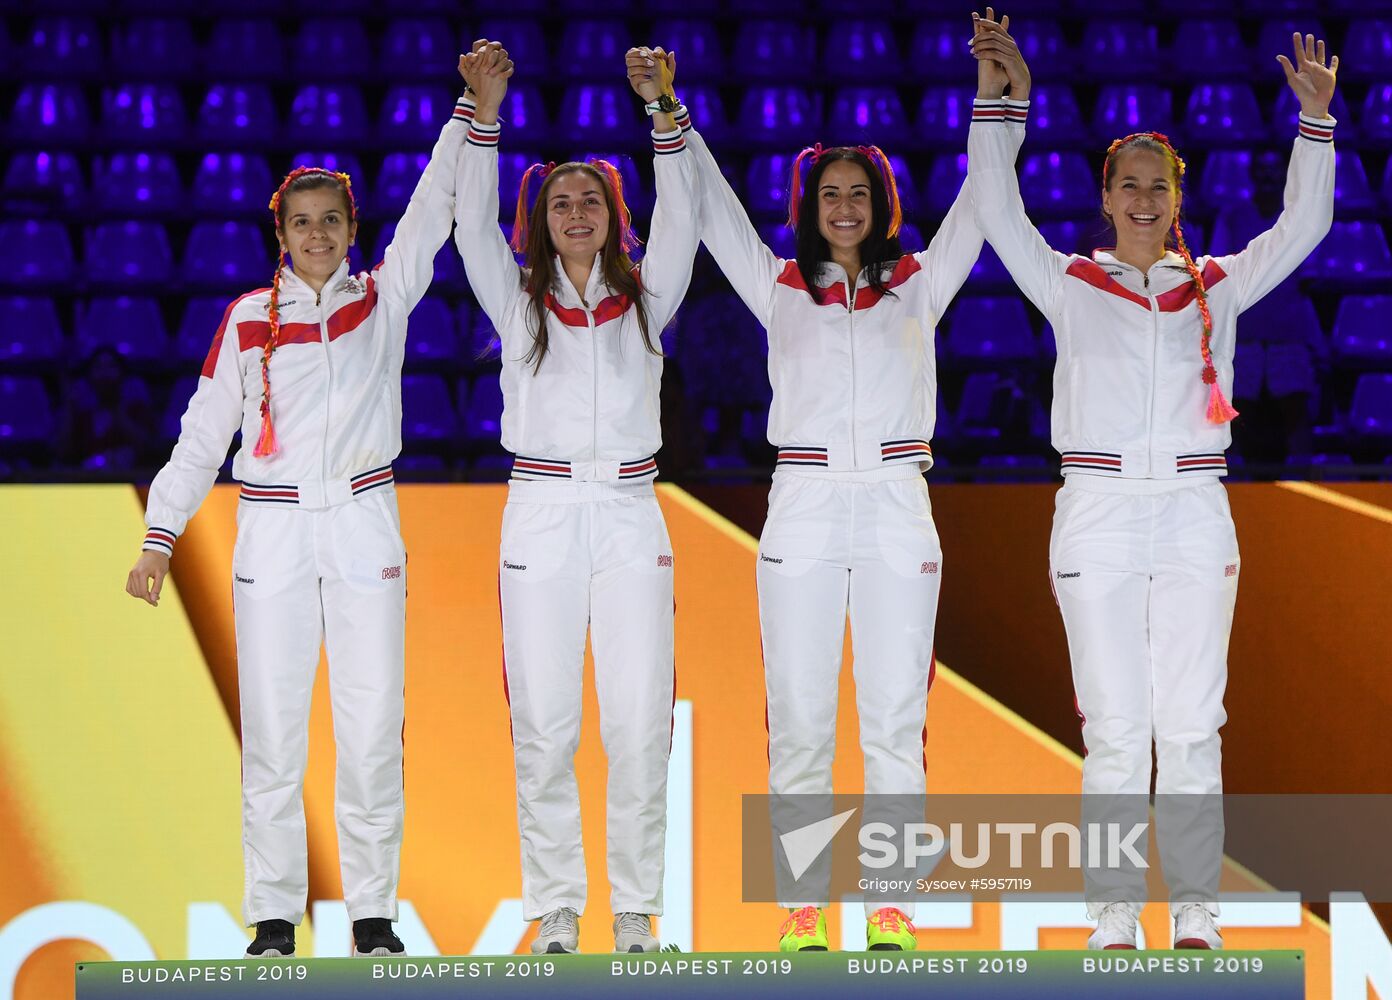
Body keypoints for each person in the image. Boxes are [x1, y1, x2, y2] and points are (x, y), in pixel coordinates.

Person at [633, 37, 1026, 951]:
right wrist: (665, 111)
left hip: (896, 502)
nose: (844, 207)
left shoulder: (919, 286)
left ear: (881, 206)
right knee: (802, 719)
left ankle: (892, 906)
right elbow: (715, 209)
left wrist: (994, 103)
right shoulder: (778, 288)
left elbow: (982, 205)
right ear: (810, 207)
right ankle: (804, 909)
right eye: (829, 193)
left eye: (859, 193)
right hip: (803, 506)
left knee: (894, 718)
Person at [968, 12, 1337, 950]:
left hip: (1192, 511)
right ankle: (1113, 915)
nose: (1143, 199)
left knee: (1193, 725)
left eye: (1158, 185)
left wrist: (1315, 124)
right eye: (1127, 184)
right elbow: (993, 205)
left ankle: (1198, 912)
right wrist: (1000, 101)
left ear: (1179, 196)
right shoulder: (1067, 283)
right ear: (1105, 194)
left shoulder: (1218, 283)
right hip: (1094, 511)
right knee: (1117, 729)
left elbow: (1309, 222)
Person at [124, 46, 486, 960]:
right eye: (301, 222)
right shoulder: (249, 317)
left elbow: (434, 214)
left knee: (370, 728)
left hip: (364, 522)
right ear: (278, 230)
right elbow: (204, 432)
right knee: (275, 731)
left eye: (331, 220)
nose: (317, 234)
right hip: (272, 527)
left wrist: (471, 112)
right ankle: (274, 920)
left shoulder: (384, 301)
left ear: (351, 228)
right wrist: (161, 537)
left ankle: (372, 917)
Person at [453, 43, 699, 954]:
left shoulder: (647, 299)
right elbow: (471, 228)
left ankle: (634, 909)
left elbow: (686, 214)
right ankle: (556, 906)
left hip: (632, 514)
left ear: (611, 213)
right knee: (544, 721)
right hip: (541, 517)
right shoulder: (518, 307)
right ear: (542, 219)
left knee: (639, 721)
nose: (577, 212)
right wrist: (486, 113)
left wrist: (662, 111)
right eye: (560, 202)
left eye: (591, 198)